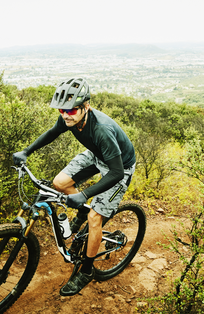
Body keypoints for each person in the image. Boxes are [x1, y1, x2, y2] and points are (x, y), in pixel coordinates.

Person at [12, 77, 136, 296]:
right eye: (62, 110)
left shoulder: (101, 130)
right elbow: (51, 133)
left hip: (119, 167)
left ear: (86, 106)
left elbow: (116, 172)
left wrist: (85, 194)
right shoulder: (68, 118)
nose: (65, 115)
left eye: (71, 111)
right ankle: (81, 210)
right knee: (59, 183)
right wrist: (27, 151)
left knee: (95, 218)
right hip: (96, 155)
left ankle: (87, 271)